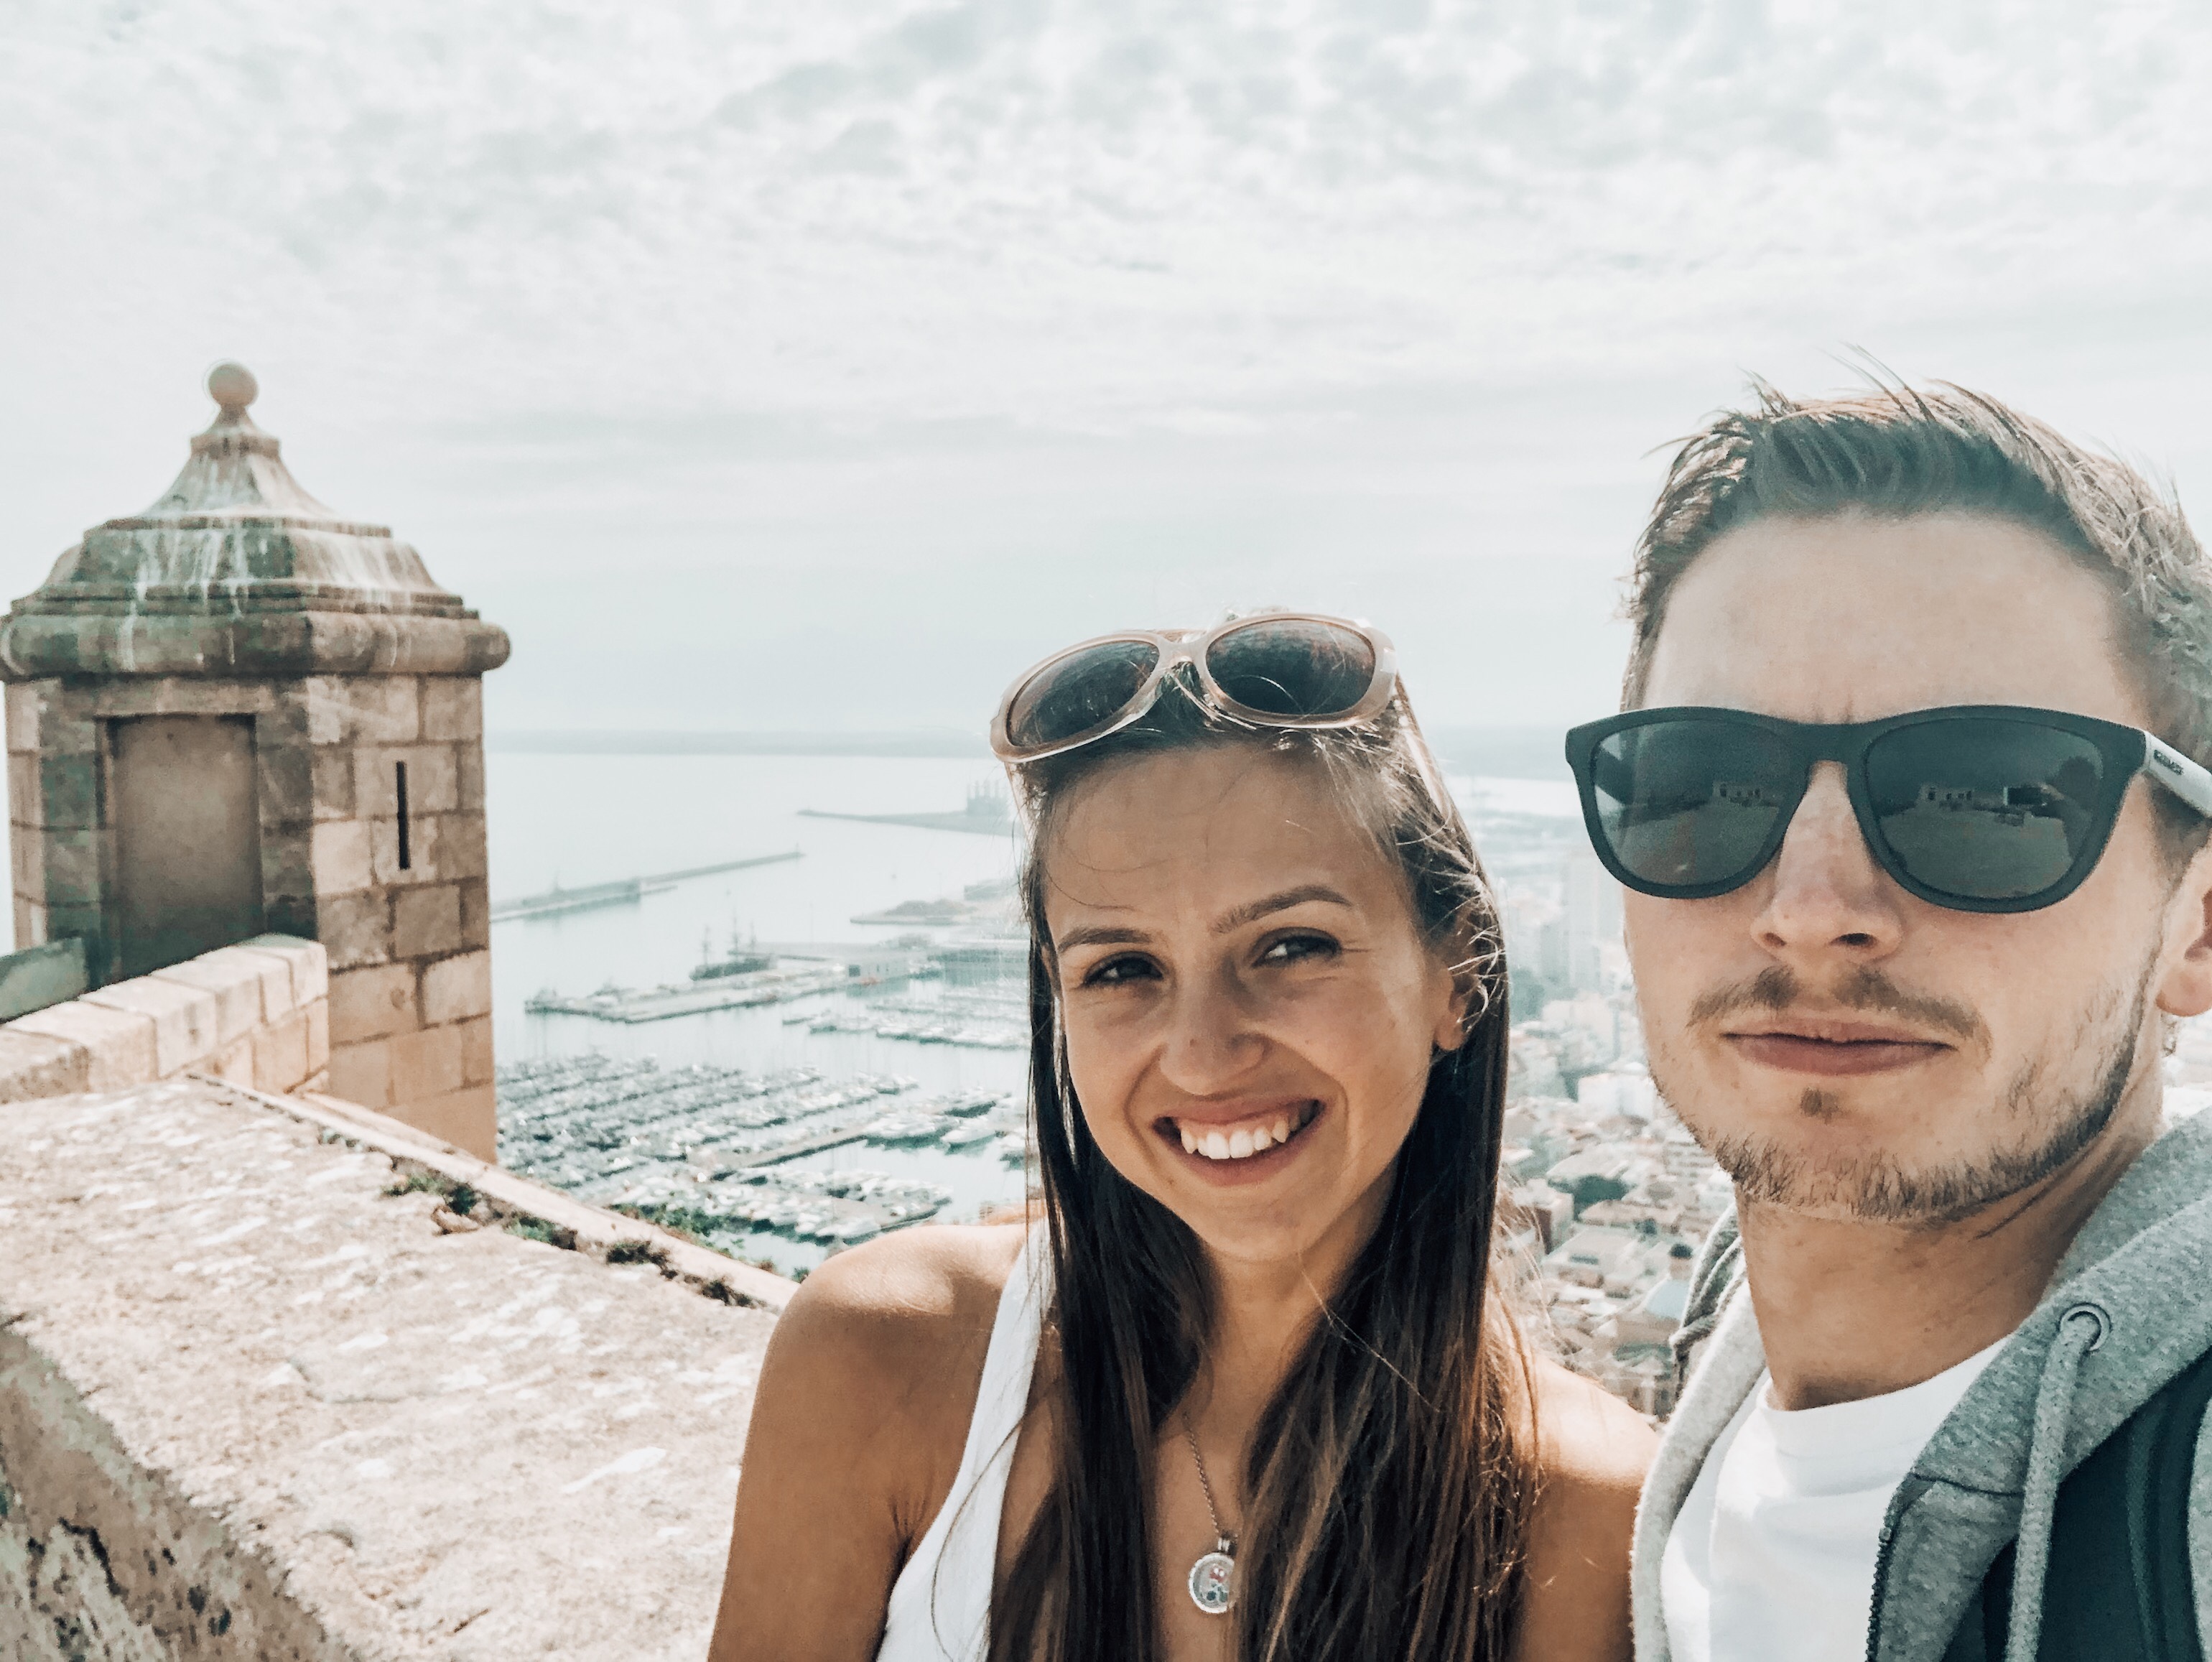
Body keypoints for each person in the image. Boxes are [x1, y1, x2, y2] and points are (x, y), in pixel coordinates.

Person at [710, 613, 1653, 1662]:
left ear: (1459, 976)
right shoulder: (878, 1359)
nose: (1202, 1055)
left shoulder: (1584, 1514)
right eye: (1122, 968)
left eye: (1291, 945)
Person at [1561, 384, 2212, 1662]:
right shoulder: (1721, 1367)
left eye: (1988, 796)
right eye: (1702, 781)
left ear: (2197, 926)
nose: (1811, 908)